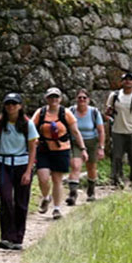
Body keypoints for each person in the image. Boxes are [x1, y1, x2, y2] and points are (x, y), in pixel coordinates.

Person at [0, 92, 38, 251]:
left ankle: (18, 238)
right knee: (6, 200)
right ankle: (6, 237)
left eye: (14, 104)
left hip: (22, 164)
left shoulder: (27, 124)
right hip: (4, 164)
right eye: (8, 104)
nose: (11, 107)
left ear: (20, 106)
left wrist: (28, 171)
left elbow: (32, 147)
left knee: (21, 202)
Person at [32, 87, 88, 220]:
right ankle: (46, 197)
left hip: (61, 150)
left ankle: (56, 209)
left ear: (60, 99)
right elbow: (31, 128)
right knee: (43, 178)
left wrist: (83, 149)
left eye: (56, 97)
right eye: (51, 97)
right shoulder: (40, 113)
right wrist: (33, 141)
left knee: (57, 180)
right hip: (44, 149)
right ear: (46, 99)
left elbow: (75, 132)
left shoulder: (65, 113)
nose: (53, 100)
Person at [105, 72, 132, 189]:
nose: (128, 82)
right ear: (122, 81)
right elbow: (107, 112)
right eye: (126, 79)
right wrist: (109, 117)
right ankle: (117, 179)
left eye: (130, 80)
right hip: (117, 131)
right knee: (117, 157)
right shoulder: (114, 95)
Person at [69, 89, 106, 204]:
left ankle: (91, 191)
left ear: (88, 100)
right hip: (76, 142)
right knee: (76, 166)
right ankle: (73, 194)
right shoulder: (71, 111)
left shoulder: (94, 112)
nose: (82, 100)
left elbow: (101, 131)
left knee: (91, 167)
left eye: (84, 98)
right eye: (79, 97)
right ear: (76, 99)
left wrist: (101, 147)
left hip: (92, 142)